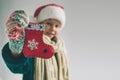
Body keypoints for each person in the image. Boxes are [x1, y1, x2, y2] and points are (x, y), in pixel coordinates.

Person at [2, 3, 69, 80]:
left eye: (57, 26)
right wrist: (16, 49)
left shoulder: (60, 48)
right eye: (49, 23)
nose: (53, 28)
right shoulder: (33, 44)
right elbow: (19, 68)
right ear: (39, 24)